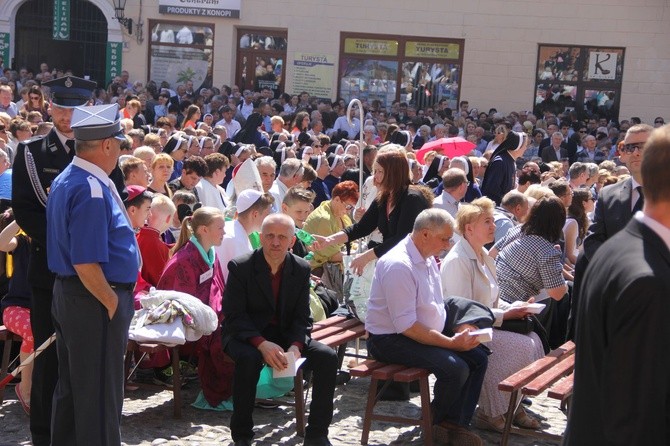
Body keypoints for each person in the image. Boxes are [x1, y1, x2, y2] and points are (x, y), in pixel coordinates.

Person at [565, 125, 670, 445]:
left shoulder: (620, 252)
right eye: (629, 146)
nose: (634, 152)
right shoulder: (646, 282)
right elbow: (637, 403)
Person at [46, 103, 139, 445]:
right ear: (106, 145)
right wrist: (112, 301)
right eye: (117, 141)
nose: (119, 148)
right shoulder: (91, 187)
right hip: (93, 299)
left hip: (76, 297)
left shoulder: (70, 178)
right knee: (99, 397)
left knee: (75, 391)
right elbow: (86, 262)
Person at [11, 75, 96, 446]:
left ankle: (80, 431)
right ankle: (44, 435)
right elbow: (27, 212)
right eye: (61, 107)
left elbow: (118, 201)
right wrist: (69, 247)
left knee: (85, 358)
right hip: (49, 271)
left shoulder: (100, 147)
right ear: (49, 106)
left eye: (75, 108)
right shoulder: (31, 152)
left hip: (94, 273)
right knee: (48, 360)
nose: (67, 116)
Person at [366, 208, 488, 445]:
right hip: (388, 338)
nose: (447, 244)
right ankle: (435, 422)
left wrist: (457, 328)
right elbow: (407, 327)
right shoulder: (399, 265)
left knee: (478, 357)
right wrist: (451, 343)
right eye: (444, 238)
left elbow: (434, 303)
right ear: (424, 234)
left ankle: (453, 424)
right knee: (455, 368)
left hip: (415, 330)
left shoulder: (426, 255)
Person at [221, 213, 338, 446]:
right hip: (246, 335)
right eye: (270, 236)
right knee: (249, 359)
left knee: (327, 357)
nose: (276, 242)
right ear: (261, 238)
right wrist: (260, 343)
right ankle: (242, 435)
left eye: (282, 237)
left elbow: (302, 317)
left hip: (285, 335)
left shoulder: (301, 268)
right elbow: (233, 315)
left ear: (292, 242)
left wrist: (296, 346)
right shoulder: (240, 266)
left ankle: (317, 434)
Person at [440, 198, 544, 432]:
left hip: (486, 325)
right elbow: (463, 313)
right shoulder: (458, 261)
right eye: (487, 222)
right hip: (466, 332)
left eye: (492, 221)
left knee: (534, 341)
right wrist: (506, 315)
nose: (493, 226)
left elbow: (491, 300)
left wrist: (514, 306)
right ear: (469, 228)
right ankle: (491, 411)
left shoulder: (483, 255)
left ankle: (512, 404)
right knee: (522, 346)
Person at [314, 147, 431, 275]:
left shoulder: (412, 198)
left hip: (410, 267)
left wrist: (366, 257)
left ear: (394, 173)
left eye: (380, 171)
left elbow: (401, 238)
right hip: (390, 263)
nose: (375, 176)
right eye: (375, 171)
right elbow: (362, 227)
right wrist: (329, 240)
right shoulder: (384, 197)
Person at [583, 124, 652, 260]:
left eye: (644, 146)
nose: (636, 152)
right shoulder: (608, 195)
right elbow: (593, 241)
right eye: (630, 148)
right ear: (622, 155)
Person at [0, 209, 33, 415]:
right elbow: (2, 242)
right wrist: (23, 218)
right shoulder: (21, 242)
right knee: (33, 330)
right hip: (14, 308)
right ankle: (25, 388)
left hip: (42, 307)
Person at [216, 189, 274, 281]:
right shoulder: (233, 238)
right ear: (255, 214)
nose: (269, 219)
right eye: (267, 215)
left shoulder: (235, 230)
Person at [303, 180, 358, 269]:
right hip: (321, 272)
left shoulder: (341, 214)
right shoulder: (324, 219)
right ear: (337, 199)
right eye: (348, 206)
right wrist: (360, 254)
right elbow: (334, 257)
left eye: (352, 207)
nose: (349, 211)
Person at [481, 131, 529, 205]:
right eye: (525, 145)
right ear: (518, 146)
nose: (526, 148)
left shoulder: (511, 160)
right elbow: (492, 191)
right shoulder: (500, 162)